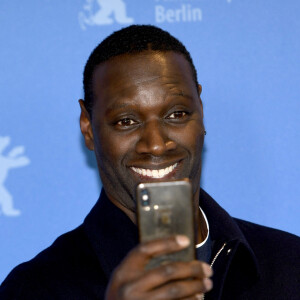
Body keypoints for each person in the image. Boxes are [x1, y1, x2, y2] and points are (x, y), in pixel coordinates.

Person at [0, 25, 299, 300]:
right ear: (89, 129)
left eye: (177, 114)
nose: (156, 144)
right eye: (126, 121)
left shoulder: (288, 263)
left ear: (201, 110)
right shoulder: (35, 288)